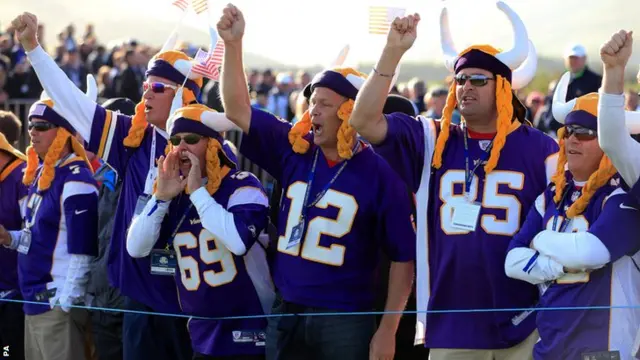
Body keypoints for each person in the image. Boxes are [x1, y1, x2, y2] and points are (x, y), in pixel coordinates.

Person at [349, 3, 558, 358]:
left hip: (526, 320)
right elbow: (363, 121)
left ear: (504, 88)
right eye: (460, 79)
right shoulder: (430, 138)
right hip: (452, 323)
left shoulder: (541, 148)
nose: (465, 87)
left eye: (478, 79)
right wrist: (393, 52)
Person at [11, 11, 221, 360]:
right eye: (144, 86)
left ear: (184, 95)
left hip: (190, 297)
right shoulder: (133, 138)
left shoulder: (211, 146)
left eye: (157, 88)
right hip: (138, 294)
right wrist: (33, 49)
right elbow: (71, 103)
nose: (146, 95)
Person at [215, 5, 416, 360]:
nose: (312, 112)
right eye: (311, 103)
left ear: (349, 113)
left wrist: (387, 330)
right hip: (287, 306)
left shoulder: (380, 173)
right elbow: (236, 108)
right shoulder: (295, 149)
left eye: (323, 104)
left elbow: (403, 258)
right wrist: (233, 45)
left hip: (345, 317)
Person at [127, 104, 273, 359]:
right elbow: (135, 247)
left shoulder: (243, 185)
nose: (181, 147)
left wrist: (198, 193)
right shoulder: (171, 191)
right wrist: (160, 199)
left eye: (191, 139)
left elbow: (238, 242)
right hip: (200, 332)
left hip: (248, 327)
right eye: (175, 140)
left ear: (213, 145)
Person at [505, 89, 640, 359]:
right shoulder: (553, 194)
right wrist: (557, 266)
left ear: (608, 142)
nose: (572, 140)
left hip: (605, 350)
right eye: (568, 131)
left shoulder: (622, 195)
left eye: (586, 133)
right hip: (550, 346)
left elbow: (591, 252)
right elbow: (512, 261)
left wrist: (541, 239)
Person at [0, 99, 98, 360]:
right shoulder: (43, 172)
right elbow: (37, 238)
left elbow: (83, 250)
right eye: (31, 125)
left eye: (42, 126)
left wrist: (66, 302)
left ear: (64, 132)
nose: (33, 131)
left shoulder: (77, 177)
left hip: (55, 303)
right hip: (33, 302)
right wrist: (8, 237)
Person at [0, 131, 27, 360]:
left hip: (15, 292)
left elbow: (36, 235)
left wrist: (7, 236)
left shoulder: (23, 176)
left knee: (8, 353)